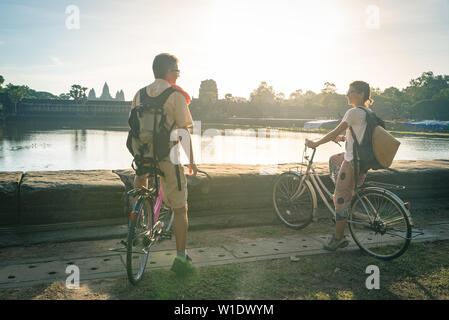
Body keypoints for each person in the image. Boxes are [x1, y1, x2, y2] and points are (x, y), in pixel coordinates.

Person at [130, 53, 198, 273]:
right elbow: (184, 132)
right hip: (168, 158)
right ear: (169, 72)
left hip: (143, 158)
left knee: (141, 187)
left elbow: (135, 128)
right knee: (180, 209)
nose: (178, 76)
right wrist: (192, 162)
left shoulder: (139, 95)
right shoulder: (175, 96)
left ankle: (140, 222)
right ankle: (180, 258)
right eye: (177, 71)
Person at [305, 81, 373, 251]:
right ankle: (343, 197)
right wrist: (344, 139)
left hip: (352, 162)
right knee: (334, 159)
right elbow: (359, 136)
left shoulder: (353, 112)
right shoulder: (368, 112)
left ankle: (338, 238)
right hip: (361, 160)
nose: (347, 94)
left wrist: (315, 144)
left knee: (340, 199)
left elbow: (334, 131)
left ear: (361, 94)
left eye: (351, 92)